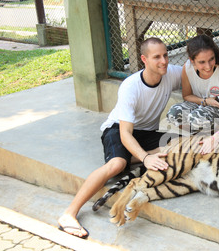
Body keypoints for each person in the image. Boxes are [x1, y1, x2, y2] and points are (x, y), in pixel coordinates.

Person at [57, 37, 182, 238]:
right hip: (118, 129)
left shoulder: (172, 72)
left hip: (147, 133)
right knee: (116, 165)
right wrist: (146, 158)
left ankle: (129, 157)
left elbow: (202, 73)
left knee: (181, 144)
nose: (164, 61)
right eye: (157, 57)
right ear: (144, 59)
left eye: (165, 55)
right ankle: (69, 214)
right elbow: (125, 133)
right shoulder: (130, 86)